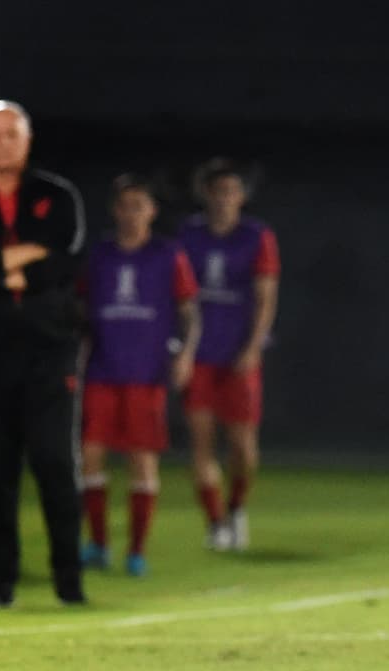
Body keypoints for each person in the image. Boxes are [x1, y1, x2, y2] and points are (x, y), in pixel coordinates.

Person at [0, 100, 87, 606]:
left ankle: (68, 581)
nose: (3, 142)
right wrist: (21, 261)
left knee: (54, 464)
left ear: (27, 141)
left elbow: (62, 262)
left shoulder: (57, 195)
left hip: (49, 351)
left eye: (12, 133)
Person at [79, 175, 201, 576]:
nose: (131, 213)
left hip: (145, 373)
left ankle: (136, 551)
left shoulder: (168, 255)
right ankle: (97, 544)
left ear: (152, 211)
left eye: (139, 206)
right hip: (102, 369)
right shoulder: (100, 256)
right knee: (91, 455)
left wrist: (185, 354)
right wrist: (77, 362)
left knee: (141, 460)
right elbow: (82, 315)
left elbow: (188, 311)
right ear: (115, 210)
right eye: (125, 205)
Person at [177, 159, 279, 552]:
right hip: (200, 356)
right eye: (218, 192)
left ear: (242, 197)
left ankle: (237, 508)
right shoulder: (190, 234)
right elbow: (180, 294)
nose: (224, 200)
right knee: (201, 442)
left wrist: (253, 347)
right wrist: (182, 349)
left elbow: (265, 297)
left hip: (238, 356)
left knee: (243, 446)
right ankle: (215, 522)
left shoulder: (256, 236)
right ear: (206, 195)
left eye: (232, 192)